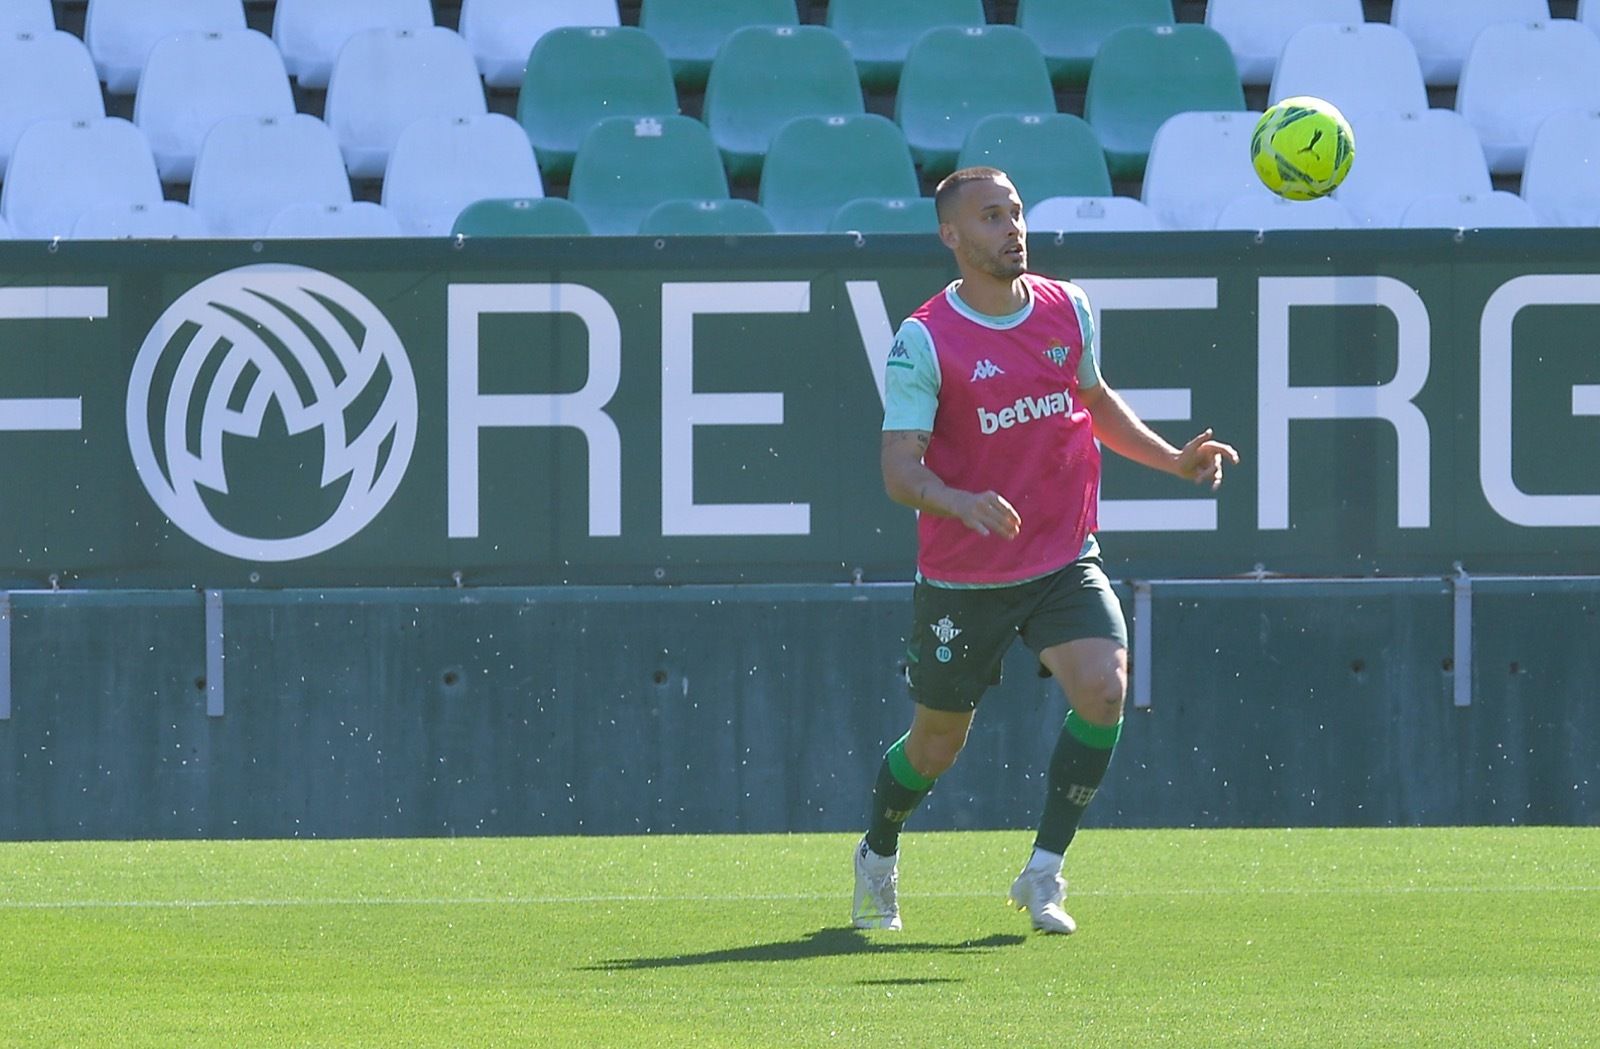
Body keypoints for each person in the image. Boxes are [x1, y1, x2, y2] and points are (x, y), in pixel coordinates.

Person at [852, 166, 1239, 935]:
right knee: (937, 743)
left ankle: (1043, 872)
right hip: (966, 576)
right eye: (992, 217)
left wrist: (1172, 459)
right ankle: (878, 852)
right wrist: (960, 501)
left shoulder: (1069, 308)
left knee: (1104, 688)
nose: (1013, 228)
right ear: (952, 236)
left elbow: (1092, 401)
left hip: (1064, 555)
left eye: (1018, 212)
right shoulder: (925, 337)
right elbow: (898, 468)